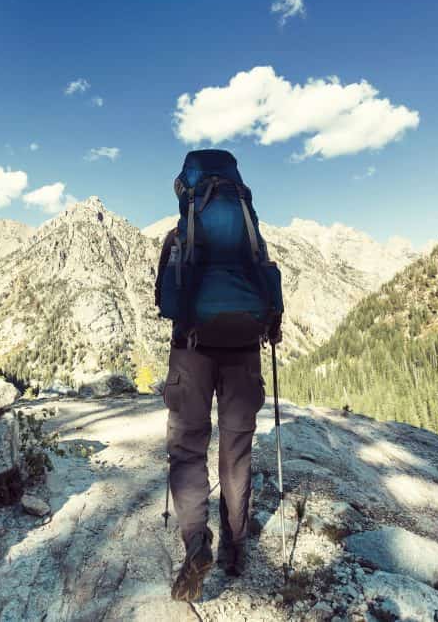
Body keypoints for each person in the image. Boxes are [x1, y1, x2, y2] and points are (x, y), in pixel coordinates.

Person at [154, 149, 282, 602]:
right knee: (237, 452)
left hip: (191, 349)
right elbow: (270, 283)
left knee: (188, 450)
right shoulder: (251, 231)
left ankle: (196, 543)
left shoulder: (180, 235)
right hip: (245, 348)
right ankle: (236, 545)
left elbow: (167, 303)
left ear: (185, 189)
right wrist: (272, 327)